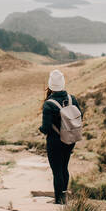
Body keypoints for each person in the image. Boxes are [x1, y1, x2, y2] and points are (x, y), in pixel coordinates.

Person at [39, 70, 82, 204]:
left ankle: (59, 200)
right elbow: (80, 116)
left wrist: (41, 129)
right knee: (64, 167)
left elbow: (45, 128)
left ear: (50, 85)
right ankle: (63, 197)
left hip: (55, 141)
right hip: (70, 139)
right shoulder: (72, 98)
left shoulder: (49, 104)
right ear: (63, 84)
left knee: (57, 170)